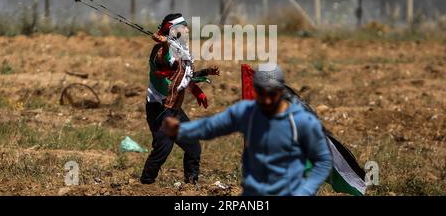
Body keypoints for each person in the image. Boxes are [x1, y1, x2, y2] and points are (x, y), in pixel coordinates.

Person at [163, 64, 333, 196]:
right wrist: (181, 130)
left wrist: (306, 190)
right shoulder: (247, 112)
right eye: (261, 93)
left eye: (272, 94)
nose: (266, 100)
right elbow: (211, 126)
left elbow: (323, 160)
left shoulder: (301, 121)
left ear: (281, 91)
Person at [140, 13, 220, 185]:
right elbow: (164, 64)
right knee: (164, 147)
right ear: (173, 30)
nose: (187, 29)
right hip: (159, 108)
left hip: (174, 109)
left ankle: (191, 185)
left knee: (193, 146)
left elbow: (183, 76)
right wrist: (165, 45)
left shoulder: (181, 50)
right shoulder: (161, 50)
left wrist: (206, 72)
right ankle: (145, 185)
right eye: (184, 26)